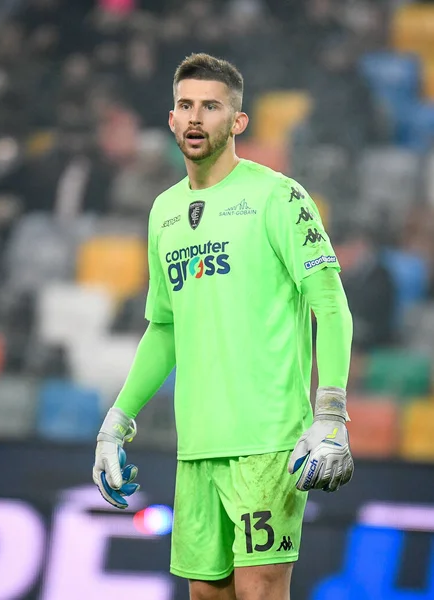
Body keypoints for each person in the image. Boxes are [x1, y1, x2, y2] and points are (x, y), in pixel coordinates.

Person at [93, 53, 354, 600]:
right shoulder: (163, 212)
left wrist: (331, 412)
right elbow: (163, 329)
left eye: (210, 107)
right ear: (170, 119)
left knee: (259, 592)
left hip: (269, 442)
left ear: (238, 122)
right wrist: (116, 421)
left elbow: (329, 305)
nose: (195, 117)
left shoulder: (278, 197)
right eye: (185, 105)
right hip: (197, 447)